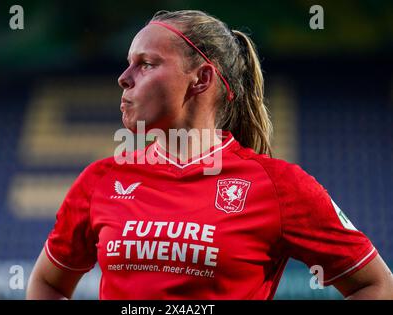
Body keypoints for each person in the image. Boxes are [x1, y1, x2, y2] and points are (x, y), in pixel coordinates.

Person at [27, 10, 393, 300]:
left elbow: (375, 285)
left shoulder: (280, 186)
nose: (124, 77)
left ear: (201, 78)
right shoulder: (101, 180)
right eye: (128, 63)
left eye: (147, 63)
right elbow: (48, 283)